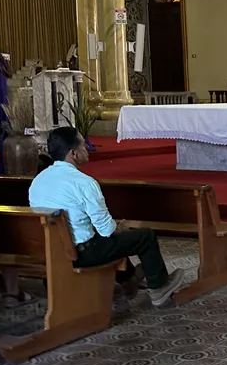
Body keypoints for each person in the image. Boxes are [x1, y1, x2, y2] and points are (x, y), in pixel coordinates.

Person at [28, 126, 185, 306]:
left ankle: (130, 280)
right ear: (73, 153)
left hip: (51, 250)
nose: (87, 148)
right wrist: (119, 227)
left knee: (110, 238)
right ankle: (159, 288)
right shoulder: (84, 183)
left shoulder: (38, 181)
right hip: (82, 253)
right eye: (83, 145)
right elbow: (106, 230)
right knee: (144, 236)